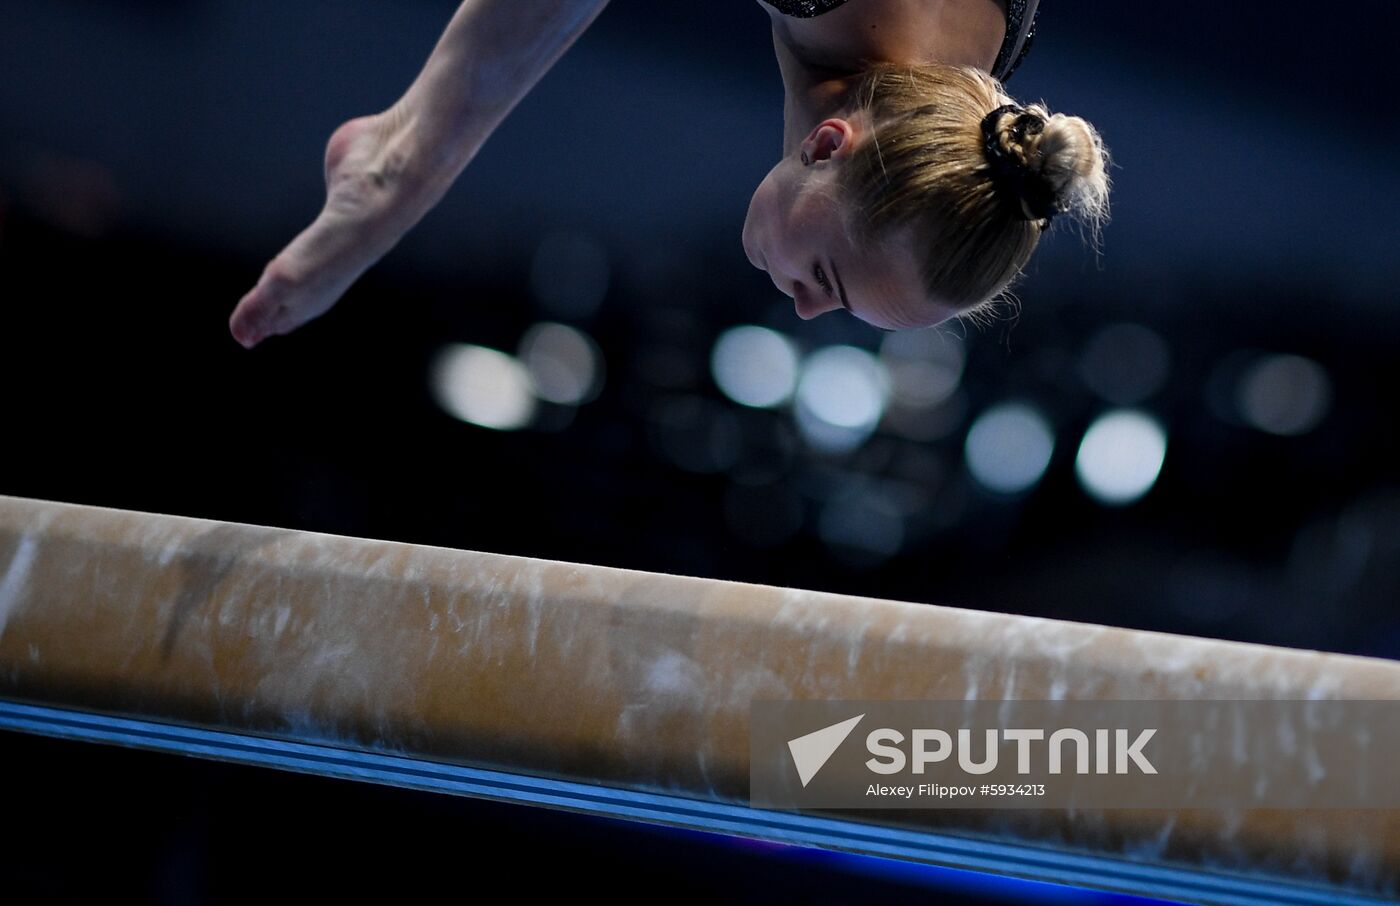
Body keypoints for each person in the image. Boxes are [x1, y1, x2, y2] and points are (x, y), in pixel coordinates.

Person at [228, 0, 1106, 348]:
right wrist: (417, 159)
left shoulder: (979, 72)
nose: (803, 305)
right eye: (830, 281)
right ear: (830, 146)